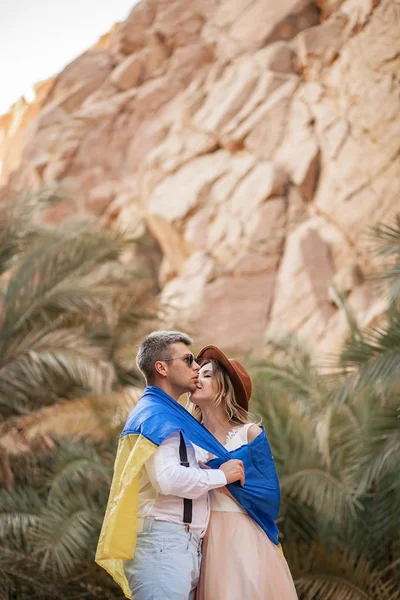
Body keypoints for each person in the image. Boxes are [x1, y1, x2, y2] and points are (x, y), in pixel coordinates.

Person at [95, 331, 244, 600]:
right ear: (161, 368)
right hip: (163, 544)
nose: (197, 367)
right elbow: (168, 479)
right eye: (188, 360)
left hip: (178, 546)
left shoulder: (170, 414)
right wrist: (221, 476)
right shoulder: (156, 414)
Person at [190, 344, 298, 600]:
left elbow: (269, 494)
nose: (198, 379)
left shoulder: (249, 433)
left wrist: (224, 481)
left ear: (224, 388)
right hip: (201, 536)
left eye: (208, 375)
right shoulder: (187, 437)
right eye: (198, 373)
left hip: (243, 534)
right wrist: (221, 475)